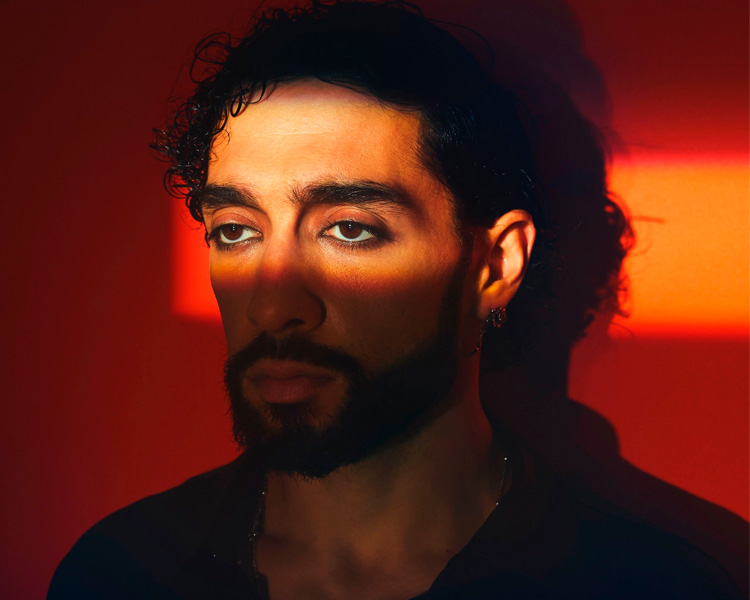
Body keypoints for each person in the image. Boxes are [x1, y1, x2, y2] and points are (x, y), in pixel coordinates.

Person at [48, 1, 744, 598]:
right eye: (235, 230)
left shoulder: (660, 584)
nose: (271, 305)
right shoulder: (124, 573)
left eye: (349, 229)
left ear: (495, 265)